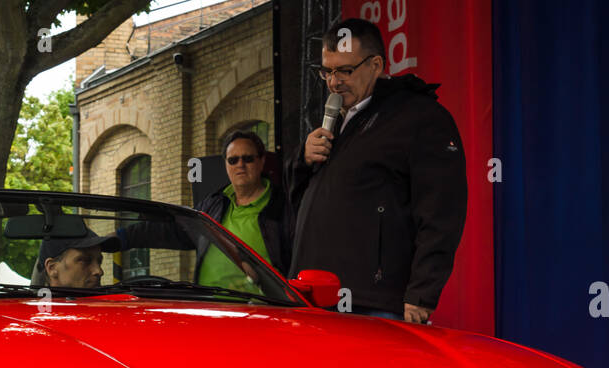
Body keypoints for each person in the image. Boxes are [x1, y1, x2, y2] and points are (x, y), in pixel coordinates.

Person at [289, 17, 467, 324]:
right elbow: (296, 206)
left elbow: (442, 211)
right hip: (314, 300)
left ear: (376, 65)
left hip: (372, 303)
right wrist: (302, 161)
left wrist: (421, 294)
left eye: (345, 70)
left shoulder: (418, 117)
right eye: (327, 71)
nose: (334, 82)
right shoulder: (338, 122)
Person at [194, 129, 294, 285]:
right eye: (233, 160)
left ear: (261, 161)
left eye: (247, 159)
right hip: (206, 305)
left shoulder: (283, 207)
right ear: (226, 165)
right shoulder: (213, 203)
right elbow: (176, 232)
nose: (240, 165)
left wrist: (261, 278)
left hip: (257, 307)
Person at [30, 230, 121, 289]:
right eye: (85, 261)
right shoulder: (39, 315)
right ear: (52, 268)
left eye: (99, 262)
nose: (99, 271)